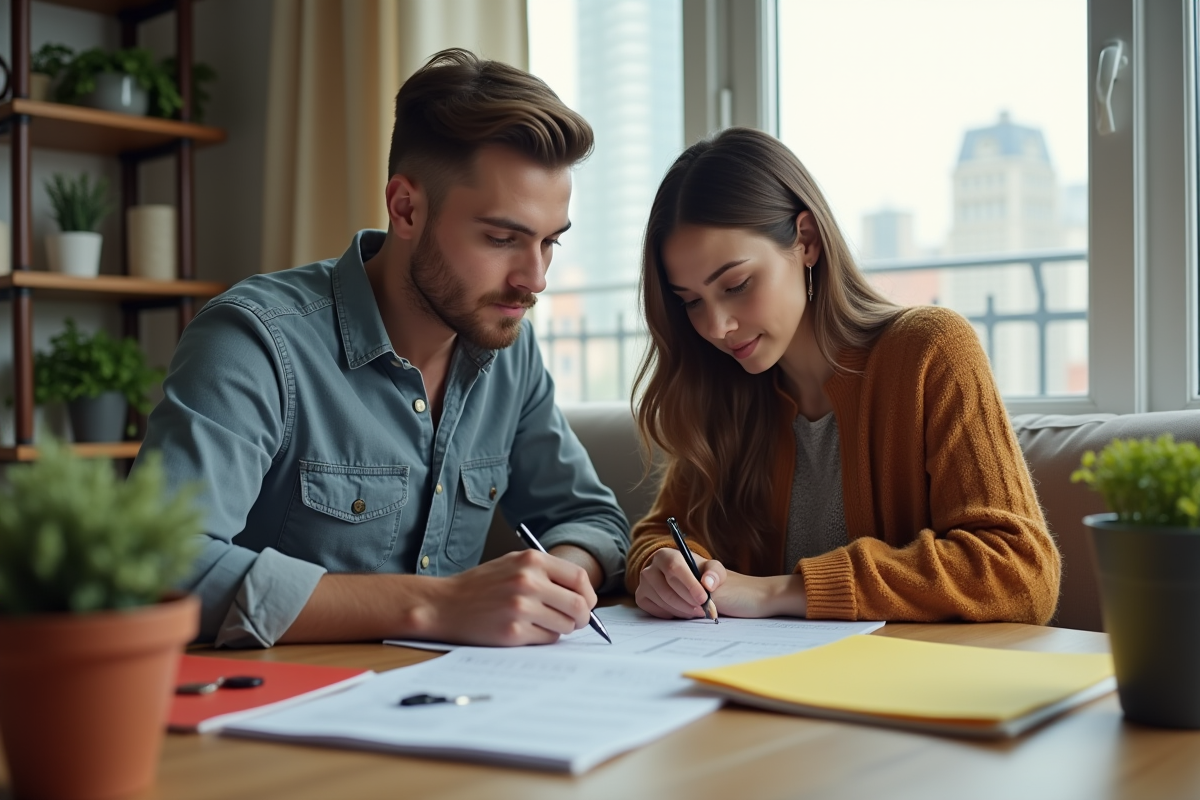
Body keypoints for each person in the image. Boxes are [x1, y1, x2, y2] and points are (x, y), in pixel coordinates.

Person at [136, 49, 628, 648]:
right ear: (406, 208)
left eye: (551, 242)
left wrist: (556, 580)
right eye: (503, 238)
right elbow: (159, 565)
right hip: (282, 697)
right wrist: (437, 605)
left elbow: (591, 519)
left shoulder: (508, 352)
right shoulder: (254, 341)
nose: (536, 279)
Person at [628, 128, 1060, 624]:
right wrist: (666, 568)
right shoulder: (720, 388)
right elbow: (659, 533)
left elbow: (1021, 573)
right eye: (690, 302)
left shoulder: (930, 351)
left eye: (737, 284)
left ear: (807, 241)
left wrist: (776, 593)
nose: (716, 327)